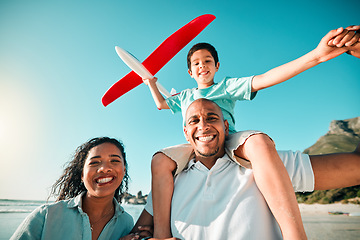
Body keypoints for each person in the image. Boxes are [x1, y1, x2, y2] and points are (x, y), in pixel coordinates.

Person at [142, 25, 360, 238]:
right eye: (196, 63)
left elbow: (265, 78)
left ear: (217, 65)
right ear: (190, 71)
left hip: (233, 142)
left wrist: (317, 56)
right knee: (160, 160)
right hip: (193, 147)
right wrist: (150, 83)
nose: (202, 66)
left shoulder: (227, 88)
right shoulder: (184, 98)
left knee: (258, 143)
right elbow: (161, 104)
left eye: (207, 61)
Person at [132, 98, 360, 240]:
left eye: (212, 117)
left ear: (226, 126)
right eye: (194, 121)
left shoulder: (266, 164)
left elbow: (355, 167)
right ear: (185, 132)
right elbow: (139, 232)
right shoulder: (169, 182)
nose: (203, 125)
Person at [10, 137, 138, 240]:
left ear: (124, 170)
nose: (104, 168)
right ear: (82, 174)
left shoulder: (126, 223)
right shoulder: (46, 215)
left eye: (114, 161)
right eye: (94, 162)